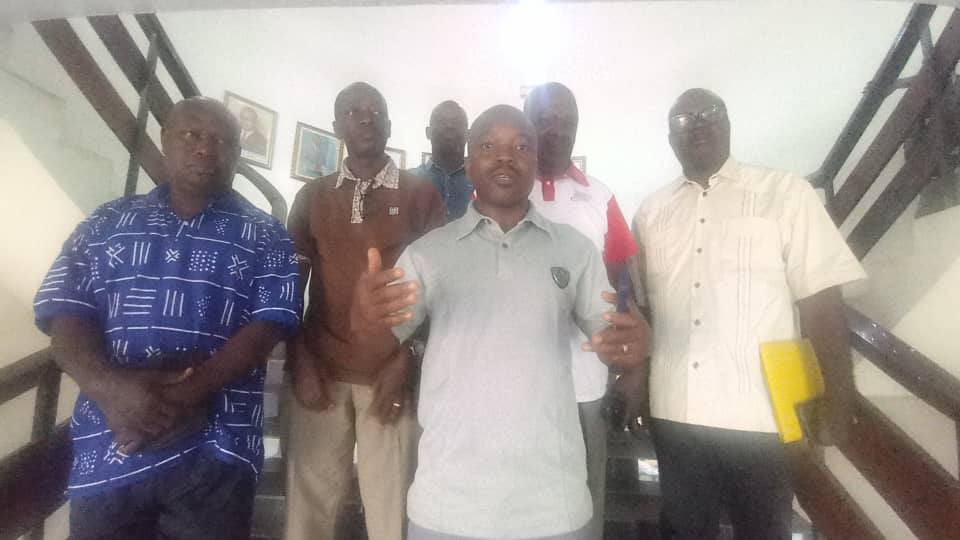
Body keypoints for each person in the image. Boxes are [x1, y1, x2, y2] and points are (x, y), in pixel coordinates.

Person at [350, 105, 650, 540]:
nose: (505, 157)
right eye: (489, 146)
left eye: (521, 147)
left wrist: (634, 346)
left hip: (554, 506)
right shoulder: (428, 253)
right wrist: (364, 317)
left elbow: (613, 340)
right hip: (447, 506)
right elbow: (376, 347)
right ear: (470, 163)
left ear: (535, 162)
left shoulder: (575, 250)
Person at [33, 97, 301, 539]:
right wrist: (113, 392)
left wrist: (178, 399)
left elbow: (270, 323)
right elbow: (65, 312)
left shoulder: (266, 234)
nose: (205, 148)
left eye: (222, 141)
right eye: (192, 135)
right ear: (165, 141)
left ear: (237, 154)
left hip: (217, 449)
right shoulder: (107, 222)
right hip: (112, 440)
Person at [632, 88, 867, 539]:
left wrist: (839, 398)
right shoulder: (650, 213)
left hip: (760, 414)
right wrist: (641, 386)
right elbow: (647, 313)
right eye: (683, 120)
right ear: (670, 138)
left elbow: (820, 300)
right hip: (676, 412)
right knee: (682, 532)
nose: (697, 124)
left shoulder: (785, 194)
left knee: (763, 531)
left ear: (728, 122)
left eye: (709, 112)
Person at [284, 82, 444, 540]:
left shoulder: (422, 194)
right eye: (354, 111)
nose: (367, 117)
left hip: (391, 377)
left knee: (392, 516)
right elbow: (288, 289)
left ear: (390, 125)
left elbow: (441, 292)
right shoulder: (312, 197)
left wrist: (406, 361)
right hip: (320, 372)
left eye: (376, 111)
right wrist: (299, 358)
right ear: (337, 127)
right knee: (307, 516)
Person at [524, 81, 641, 538]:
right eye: (544, 120)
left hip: (585, 380)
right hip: (516, 384)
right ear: (527, 123)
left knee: (585, 499)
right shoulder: (501, 192)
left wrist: (631, 368)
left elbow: (624, 285)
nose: (556, 130)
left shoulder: (600, 196)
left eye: (566, 121)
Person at [411, 100, 474, 221]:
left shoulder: (482, 184)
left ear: (468, 134)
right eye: (441, 121)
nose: (449, 126)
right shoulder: (408, 182)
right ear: (428, 132)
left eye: (457, 122)